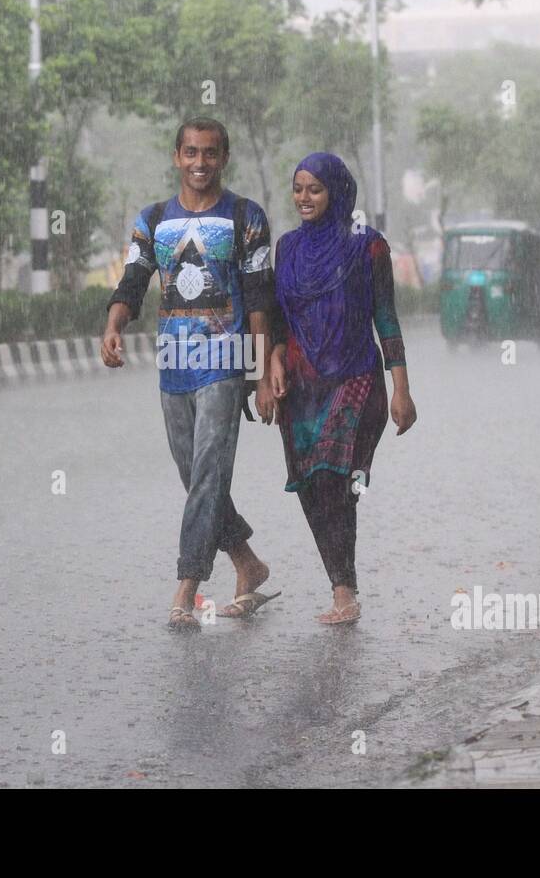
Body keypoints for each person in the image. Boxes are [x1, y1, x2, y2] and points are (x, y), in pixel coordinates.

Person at [100, 118, 278, 630]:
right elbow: (132, 282)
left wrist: (262, 371)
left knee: (206, 472)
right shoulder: (153, 219)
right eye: (191, 153)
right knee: (195, 474)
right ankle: (248, 563)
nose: (200, 163)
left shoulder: (247, 216)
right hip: (174, 364)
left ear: (225, 158)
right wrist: (113, 326)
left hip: (227, 359)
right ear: (177, 156)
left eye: (211, 154)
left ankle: (187, 585)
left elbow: (261, 299)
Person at [268, 153, 417, 625]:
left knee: (336, 476)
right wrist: (270, 361)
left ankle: (344, 593)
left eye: (314, 189)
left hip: (355, 376)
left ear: (336, 191)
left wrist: (401, 389)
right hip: (300, 384)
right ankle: (342, 586)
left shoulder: (367, 246)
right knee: (311, 485)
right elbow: (275, 319)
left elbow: (385, 317)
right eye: (298, 189)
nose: (304, 198)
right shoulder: (287, 248)